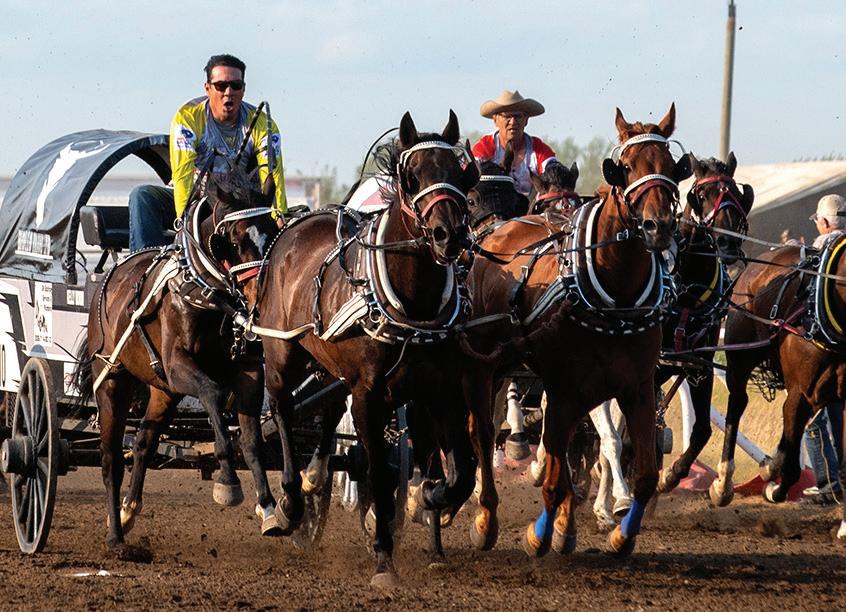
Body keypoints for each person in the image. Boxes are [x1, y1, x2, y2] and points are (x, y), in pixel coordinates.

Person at [129, 54, 287, 251]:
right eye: (221, 86)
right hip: (197, 197)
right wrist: (182, 219)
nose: (228, 92)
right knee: (142, 196)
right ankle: (146, 260)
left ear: (243, 89)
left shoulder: (261, 123)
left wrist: (279, 216)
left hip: (239, 202)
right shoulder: (188, 117)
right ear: (207, 88)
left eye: (235, 86)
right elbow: (183, 172)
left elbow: (272, 174)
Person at [802, 194, 846, 505]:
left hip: (822, 352)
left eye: (819, 221)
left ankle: (828, 483)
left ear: (826, 222)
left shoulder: (822, 247)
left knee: (811, 418)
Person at [471, 90, 558, 196]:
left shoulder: (539, 149)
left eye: (517, 116)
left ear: (526, 120)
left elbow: (554, 171)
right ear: (495, 120)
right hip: (494, 203)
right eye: (507, 116)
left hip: (530, 205)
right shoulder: (485, 146)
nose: (512, 122)